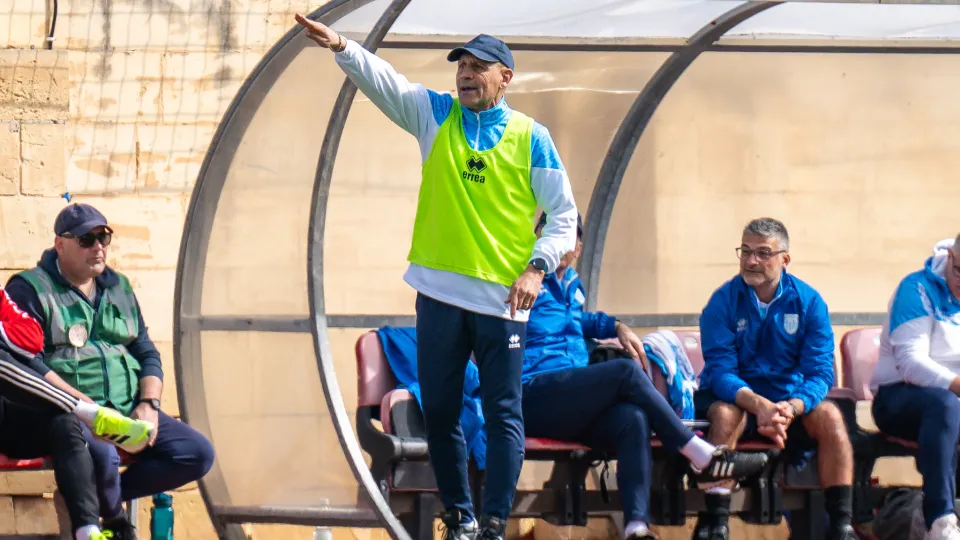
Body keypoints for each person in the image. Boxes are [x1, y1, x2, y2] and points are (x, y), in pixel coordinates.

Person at [294, 16, 580, 540]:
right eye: (462, 67)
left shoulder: (532, 138)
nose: (466, 76)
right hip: (439, 295)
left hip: (502, 302)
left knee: (502, 415)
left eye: (478, 68)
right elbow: (388, 84)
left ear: (505, 78)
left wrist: (536, 268)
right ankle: (461, 517)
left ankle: (495, 520)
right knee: (443, 412)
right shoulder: (436, 115)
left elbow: (563, 216)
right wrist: (341, 45)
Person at [521, 213, 768, 540]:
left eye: (566, 232)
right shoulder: (524, 278)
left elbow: (577, 321)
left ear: (578, 247)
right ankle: (695, 452)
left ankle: (636, 527)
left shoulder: (570, 286)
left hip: (570, 399)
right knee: (624, 371)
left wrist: (616, 326)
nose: (555, 237)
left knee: (632, 418)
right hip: (534, 392)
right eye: (547, 230)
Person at [5, 203, 215, 539]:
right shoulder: (30, 289)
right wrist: (89, 410)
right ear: (61, 245)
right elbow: (28, 364)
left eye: (103, 237)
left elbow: (145, 349)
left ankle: (99, 500)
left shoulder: (119, 287)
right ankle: (101, 510)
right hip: (75, 413)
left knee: (197, 453)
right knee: (98, 452)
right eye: (87, 239)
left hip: (128, 406)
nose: (98, 246)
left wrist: (149, 404)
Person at [693, 217, 855, 540]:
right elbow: (721, 372)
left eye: (763, 253)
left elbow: (821, 372)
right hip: (736, 397)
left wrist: (790, 408)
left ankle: (842, 527)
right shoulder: (721, 303)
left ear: (785, 259)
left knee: (831, 417)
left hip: (787, 404)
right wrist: (759, 405)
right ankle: (717, 525)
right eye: (746, 251)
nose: (752, 260)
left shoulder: (809, 303)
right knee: (724, 415)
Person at [0, 283, 152, 540]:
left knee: (64, 423)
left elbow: (31, 339)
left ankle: (87, 531)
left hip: (10, 417)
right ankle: (89, 413)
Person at [870, 235, 960, 540]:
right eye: (959, 270)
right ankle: (941, 520)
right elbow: (911, 363)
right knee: (947, 405)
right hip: (899, 396)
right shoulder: (916, 289)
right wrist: (956, 384)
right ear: (949, 257)